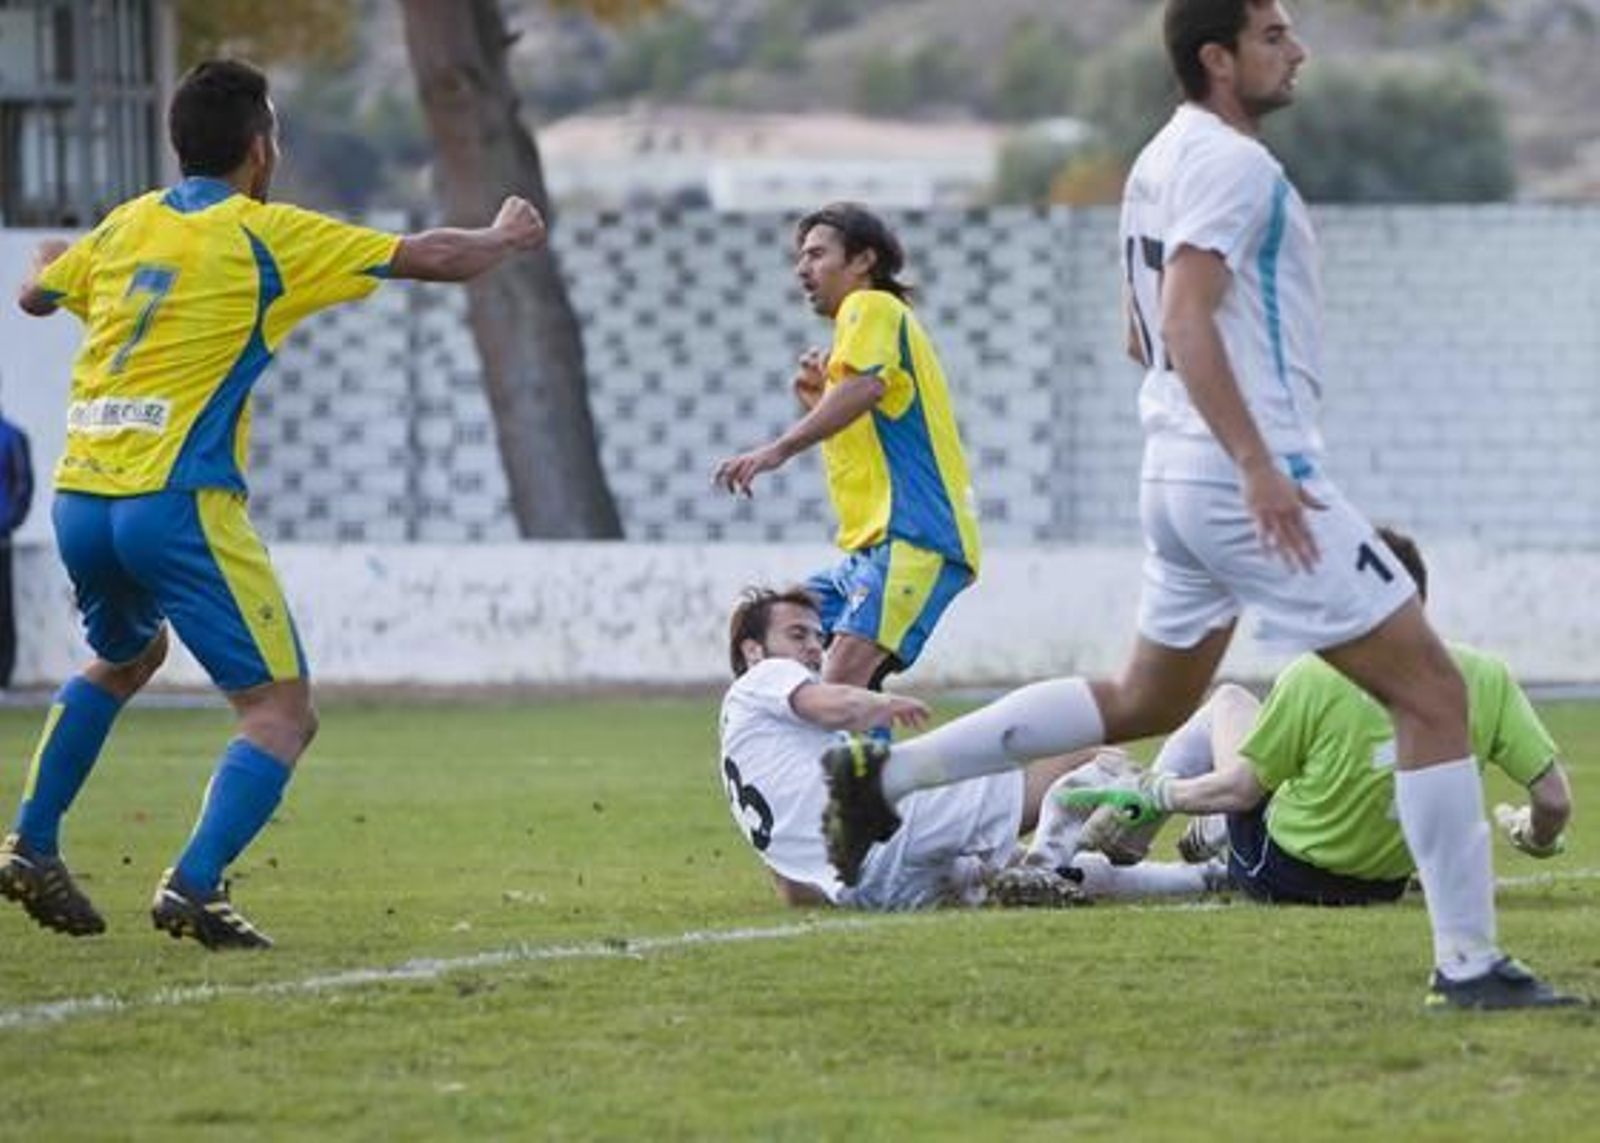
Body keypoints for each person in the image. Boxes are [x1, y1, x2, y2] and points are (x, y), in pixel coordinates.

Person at [819, 1, 1578, 1009]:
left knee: (1144, 698)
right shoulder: (1233, 164)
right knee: (1436, 693)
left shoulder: (1156, 160)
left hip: (1173, 468)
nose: (1297, 50)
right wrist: (1258, 463)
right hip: (1242, 474)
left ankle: (888, 778)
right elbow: (1180, 314)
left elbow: (1139, 333)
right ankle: (1470, 966)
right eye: (1274, 35)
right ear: (1217, 57)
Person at [0, 58, 546, 950]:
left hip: (82, 498)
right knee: (280, 712)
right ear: (260, 149)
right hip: (175, 500)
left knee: (127, 655)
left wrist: (48, 261)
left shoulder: (127, 223)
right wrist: (503, 234)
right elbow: (429, 256)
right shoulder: (266, 234)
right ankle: (194, 883)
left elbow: (35, 294)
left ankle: (31, 839)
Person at [1065, 529, 1574, 913]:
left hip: (1283, 872)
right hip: (1383, 886)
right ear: (1421, 601)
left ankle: (1122, 836)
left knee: (1229, 703)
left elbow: (1242, 791)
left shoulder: (1316, 673)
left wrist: (1159, 792)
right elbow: (1554, 801)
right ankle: (1194, 838)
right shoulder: (1487, 676)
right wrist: (1535, 837)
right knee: (1256, 782)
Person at [718, 587, 1221, 910]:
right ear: (753, 650)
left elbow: (789, 887)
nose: (814, 647)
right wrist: (875, 703)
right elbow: (830, 704)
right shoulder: (764, 677)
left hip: (868, 888)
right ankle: (1068, 853)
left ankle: (1205, 879)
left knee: (1014, 873)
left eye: (818, 636)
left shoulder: (743, 752)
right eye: (798, 635)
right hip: (889, 830)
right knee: (1091, 760)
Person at [712, 204, 981, 692]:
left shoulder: (871, 306)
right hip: (871, 552)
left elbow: (866, 389)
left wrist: (778, 449)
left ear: (862, 260)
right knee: (777, 631)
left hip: (914, 538)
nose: (802, 268)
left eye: (816, 254)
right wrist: (820, 399)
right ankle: (851, 743)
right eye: (801, 257)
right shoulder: (859, 341)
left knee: (838, 683)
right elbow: (868, 421)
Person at [0, 383, 34, 687]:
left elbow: (23, 485)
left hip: (0, 537)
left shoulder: (12, 436)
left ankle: (3, 674)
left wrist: (8, 523)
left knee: (3, 606)